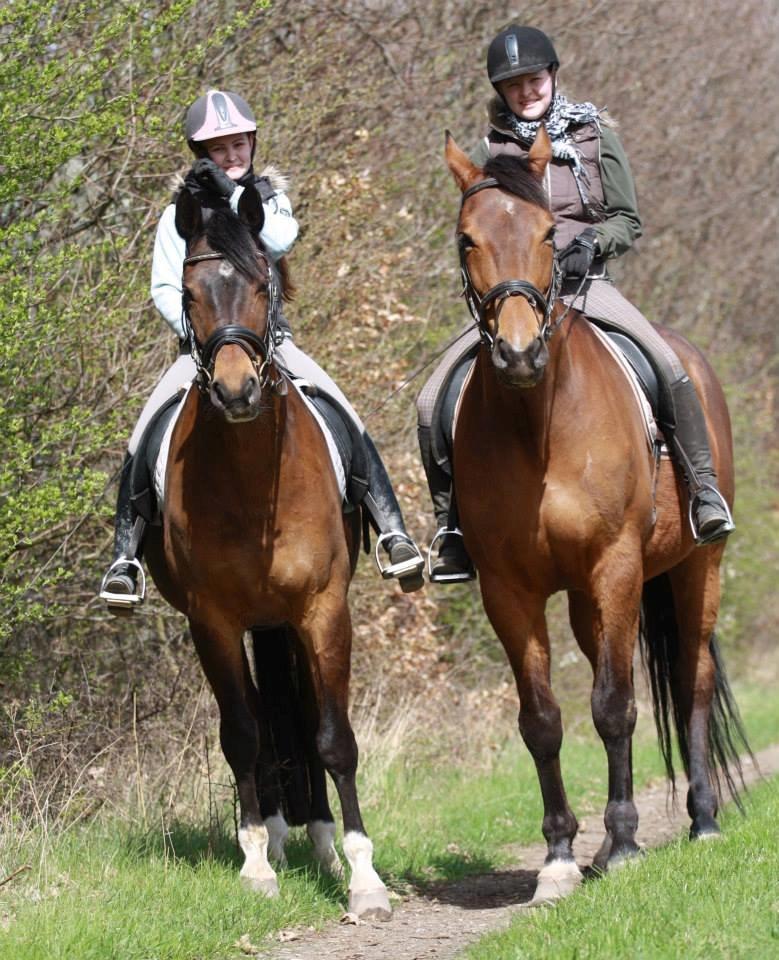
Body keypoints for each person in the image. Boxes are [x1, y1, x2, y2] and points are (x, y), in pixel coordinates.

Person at [416, 25, 734, 583]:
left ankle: (703, 490)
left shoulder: (593, 136)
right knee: (430, 399)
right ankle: (453, 529)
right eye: (513, 85)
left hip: (588, 287)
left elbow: (627, 219)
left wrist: (591, 244)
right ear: (501, 91)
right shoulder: (491, 151)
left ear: (551, 77)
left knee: (668, 366)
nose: (525, 92)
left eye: (533, 80)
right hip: (512, 298)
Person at [100, 89, 424, 612]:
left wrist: (231, 193)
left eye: (238, 144)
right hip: (202, 350)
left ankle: (392, 529)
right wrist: (197, 334)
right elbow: (163, 288)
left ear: (252, 141)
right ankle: (125, 560)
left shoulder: (265, 199)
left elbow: (281, 240)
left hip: (271, 345)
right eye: (219, 148)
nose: (232, 155)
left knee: (342, 411)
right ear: (200, 153)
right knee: (146, 432)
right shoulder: (176, 218)